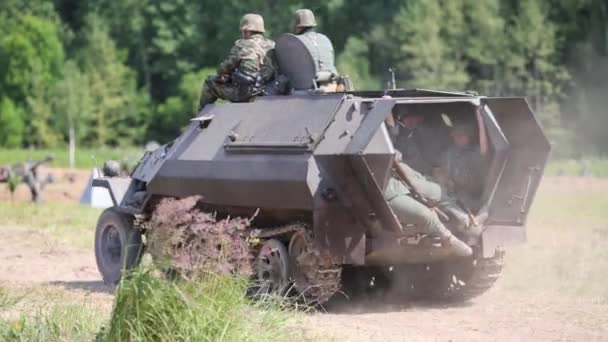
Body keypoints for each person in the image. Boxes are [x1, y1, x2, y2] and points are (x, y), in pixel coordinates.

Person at [384, 161, 473, 257]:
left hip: (395, 172)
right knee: (425, 215)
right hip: (387, 189)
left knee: (437, 190)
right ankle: (447, 237)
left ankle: (459, 215)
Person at [198, 13, 277, 110]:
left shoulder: (243, 45)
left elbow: (225, 68)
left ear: (247, 31)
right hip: (267, 93)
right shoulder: (272, 45)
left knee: (210, 82)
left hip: (244, 95)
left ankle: (201, 120)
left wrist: (224, 74)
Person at [434, 122, 488, 233]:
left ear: (468, 136)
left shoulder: (476, 152)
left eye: (461, 136)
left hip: (473, 195)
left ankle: (470, 222)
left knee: (483, 210)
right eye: (455, 136)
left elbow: (484, 150)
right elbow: (439, 171)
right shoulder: (449, 153)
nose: (457, 139)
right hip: (454, 195)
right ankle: (463, 220)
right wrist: (446, 181)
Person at [391, 110, 449, 176]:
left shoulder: (412, 138)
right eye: (411, 121)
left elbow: (416, 161)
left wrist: (431, 170)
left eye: (418, 123)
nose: (413, 125)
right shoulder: (389, 130)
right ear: (403, 116)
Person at [293, 9, 339, 90]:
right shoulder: (325, 39)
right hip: (332, 86)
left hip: (310, 89)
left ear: (298, 27)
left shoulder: (296, 42)